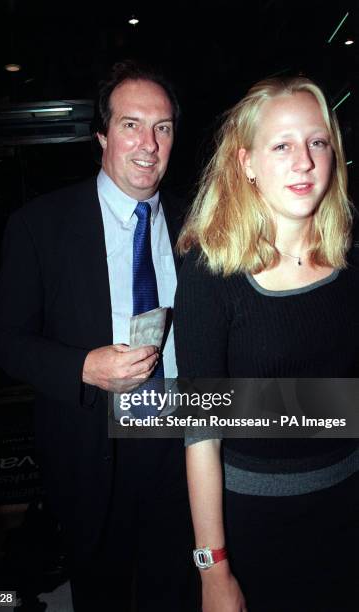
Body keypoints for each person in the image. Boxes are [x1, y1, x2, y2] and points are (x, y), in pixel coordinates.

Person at [0, 60, 196, 612]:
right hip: (90, 449)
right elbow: (3, 340)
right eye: (131, 125)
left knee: (172, 590)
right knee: (100, 592)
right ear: (101, 134)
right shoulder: (41, 225)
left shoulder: (197, 224)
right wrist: (82, 367)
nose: (149, 144)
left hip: (180, 445)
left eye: (164, 127)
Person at [174, 76, 359, 612]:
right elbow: (200, 435)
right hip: (256, 524)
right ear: (246, 163)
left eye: (317, 142)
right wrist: (213, 570)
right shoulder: (212, 273)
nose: (304, 161)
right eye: (281, 145)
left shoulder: (350, 265)